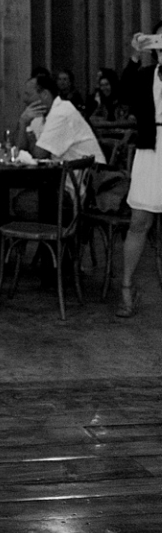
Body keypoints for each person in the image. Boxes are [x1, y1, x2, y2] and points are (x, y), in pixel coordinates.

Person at [115, 25, 162, 318]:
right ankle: (127, 287)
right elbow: (122, 92)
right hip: (149, 149)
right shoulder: (145, 75)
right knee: (139, 221)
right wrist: (134, 55)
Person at [16, 71, 105, 163]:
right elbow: (21, 151)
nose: (24, 99)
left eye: (28, 95)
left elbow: (40, 155)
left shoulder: (61, 113)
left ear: (44, 95)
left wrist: (28, 132)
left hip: (89, 174)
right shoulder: (38, 115)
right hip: (68, 173)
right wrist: (23, 123)